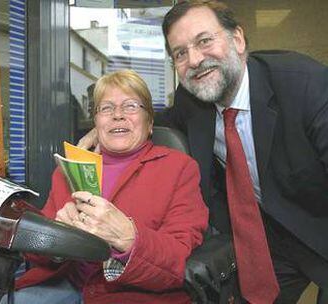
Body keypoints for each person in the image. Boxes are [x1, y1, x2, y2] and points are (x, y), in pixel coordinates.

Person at [78, 1, 328, 303]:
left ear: (237, 39)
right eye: (180, 53)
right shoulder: (192, 98)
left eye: (204, 41)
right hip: (266, 238)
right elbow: (159, 120)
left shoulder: (307, 85)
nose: (194, 59)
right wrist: (105, 127)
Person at [1, 70, 208, 304]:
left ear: (150, 122)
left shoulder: (179, 168)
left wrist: (130, 240)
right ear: (96, 122)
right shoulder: (68, 169)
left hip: (134, 292)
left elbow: (178, 258)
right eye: (106, 108)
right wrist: (56, 243)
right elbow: (36, 255)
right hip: (68, 284)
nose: (117, 115)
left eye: (131, 106)